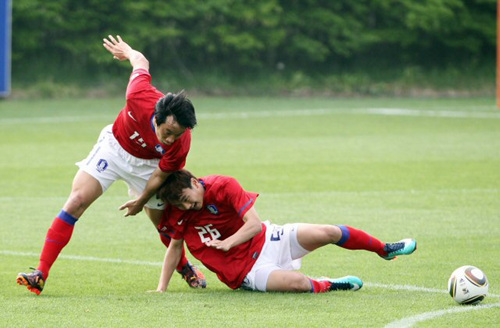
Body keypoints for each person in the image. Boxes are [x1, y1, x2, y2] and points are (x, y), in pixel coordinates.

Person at [16, 36, 206, 295]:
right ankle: (40, 274)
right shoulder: (138, 94)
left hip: (149, 167)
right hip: (114, 148)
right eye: (168, 131)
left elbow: (161, 175)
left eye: (179, 133)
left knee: (163, 225)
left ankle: (185, 268)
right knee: (76, 201)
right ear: (158, 117)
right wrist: (126, 51)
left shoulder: (182, 142)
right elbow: (141, 61)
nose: (172, 138)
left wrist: (141, 201)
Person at [152, 170, 417, 293]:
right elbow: (175, 248)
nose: (187, 206)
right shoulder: (179, 214)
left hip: (267, 238)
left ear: (196, 182)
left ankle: (384, 248)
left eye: (188, 198)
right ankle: (330, 284)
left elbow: (254, 224)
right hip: (248, 272)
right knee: (299, 283)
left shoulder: (224, 185)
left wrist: (228, 242)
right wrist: (161, 288)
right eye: (180, 204)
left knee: (328, 232)